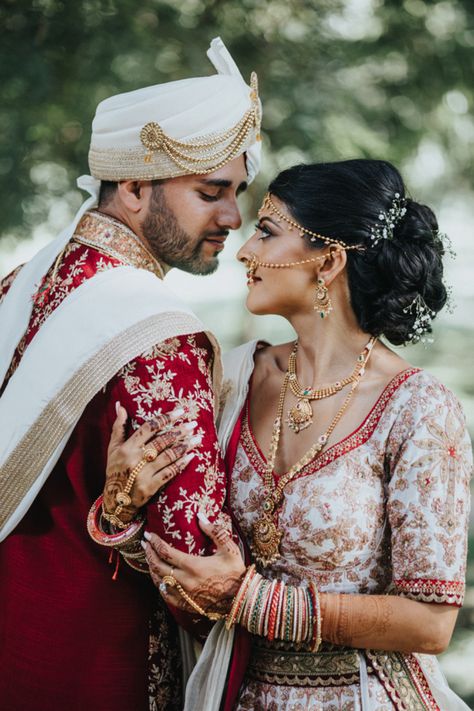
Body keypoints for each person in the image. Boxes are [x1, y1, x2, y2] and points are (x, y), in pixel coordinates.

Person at [111, 159, 472, 710]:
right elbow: (190, 567)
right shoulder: (231, 378)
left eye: (268, 231)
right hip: (237, 693)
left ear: (327, 261)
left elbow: (430, 622)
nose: (243, 250)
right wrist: (125, 506)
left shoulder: (418, 408)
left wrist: (250, 600)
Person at [0, 38, 262, 710]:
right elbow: (195, 578)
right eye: (212, 192)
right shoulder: (159, 338)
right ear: (137, 185)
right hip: (92, 672)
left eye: (236, 193)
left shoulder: (17, 287)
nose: (232, 218)